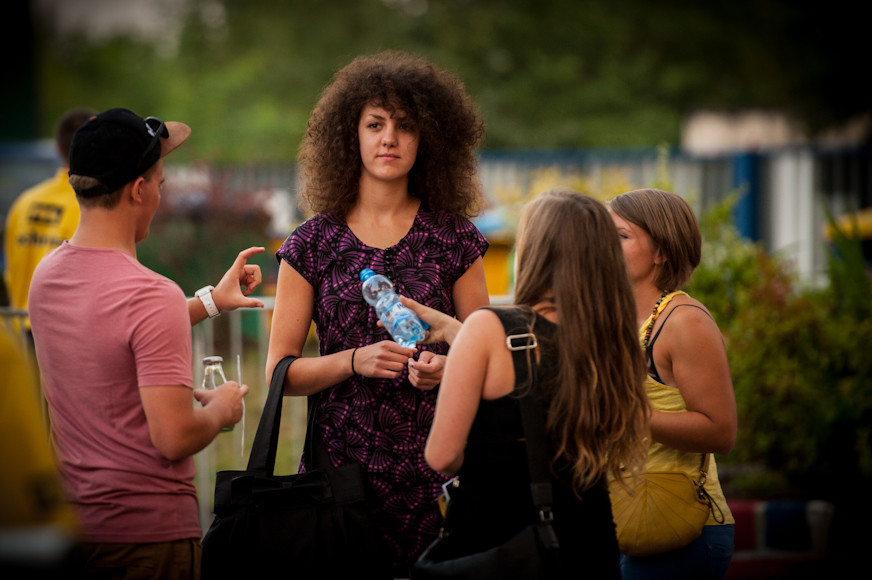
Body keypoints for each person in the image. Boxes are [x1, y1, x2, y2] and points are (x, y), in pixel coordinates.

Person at [266, 51, 490, 576]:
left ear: (428, 138)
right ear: (351, 135)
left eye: (405, 126)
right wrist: (354, 360)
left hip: (439, 473)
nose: (389, 139)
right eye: (375, 124)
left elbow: (486, 355)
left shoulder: (455, 239)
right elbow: (281, 373)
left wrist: (447, 368)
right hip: (339, 484)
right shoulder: (310, 244)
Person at [27, 107, 265, 580]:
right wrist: (221, 407)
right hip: (149, 541)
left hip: (76, 532)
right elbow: (174, 437)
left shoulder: (46, 277)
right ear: (138, 190)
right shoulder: (149, 292)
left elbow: (111, 327)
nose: (160, 194)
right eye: (160, 183)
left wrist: (213, 302)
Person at [405, 189, 652, 577]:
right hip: (588, 541)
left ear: (536, 251)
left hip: (501, 543)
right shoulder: (614, 338)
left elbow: (442, 456)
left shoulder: (488, 328)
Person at [606, 188, 737, 579]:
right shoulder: (612, 317)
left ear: (661, 251)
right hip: (622, 521)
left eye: (620, 236)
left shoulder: (683, 321)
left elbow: (720, 431)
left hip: (679, 529)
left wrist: (628, 415)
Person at [3, 107, 95, 334]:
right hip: (64, 335)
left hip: (20, 331)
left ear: (58, 148)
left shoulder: (23, 203)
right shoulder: (90, 206)